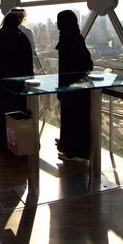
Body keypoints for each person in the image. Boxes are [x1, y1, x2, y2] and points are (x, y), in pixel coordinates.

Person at [0, 11, 33, 151]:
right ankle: (20, 140)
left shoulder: (1, 37)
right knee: (18, 111)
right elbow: (28, 61)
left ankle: (4, 141)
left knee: (3, 112)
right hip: (19, 84)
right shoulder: (22, 37)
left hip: (4, 84)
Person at [55, 10, 94, 162]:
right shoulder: (77, 37)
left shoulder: (67, 39)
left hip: (72, 89)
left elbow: (66, 68)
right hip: (80, 88)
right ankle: (72, 147)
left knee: (72, 120)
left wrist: (62, 88)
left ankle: (73, 152)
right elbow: (87, 62)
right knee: (77, 120)